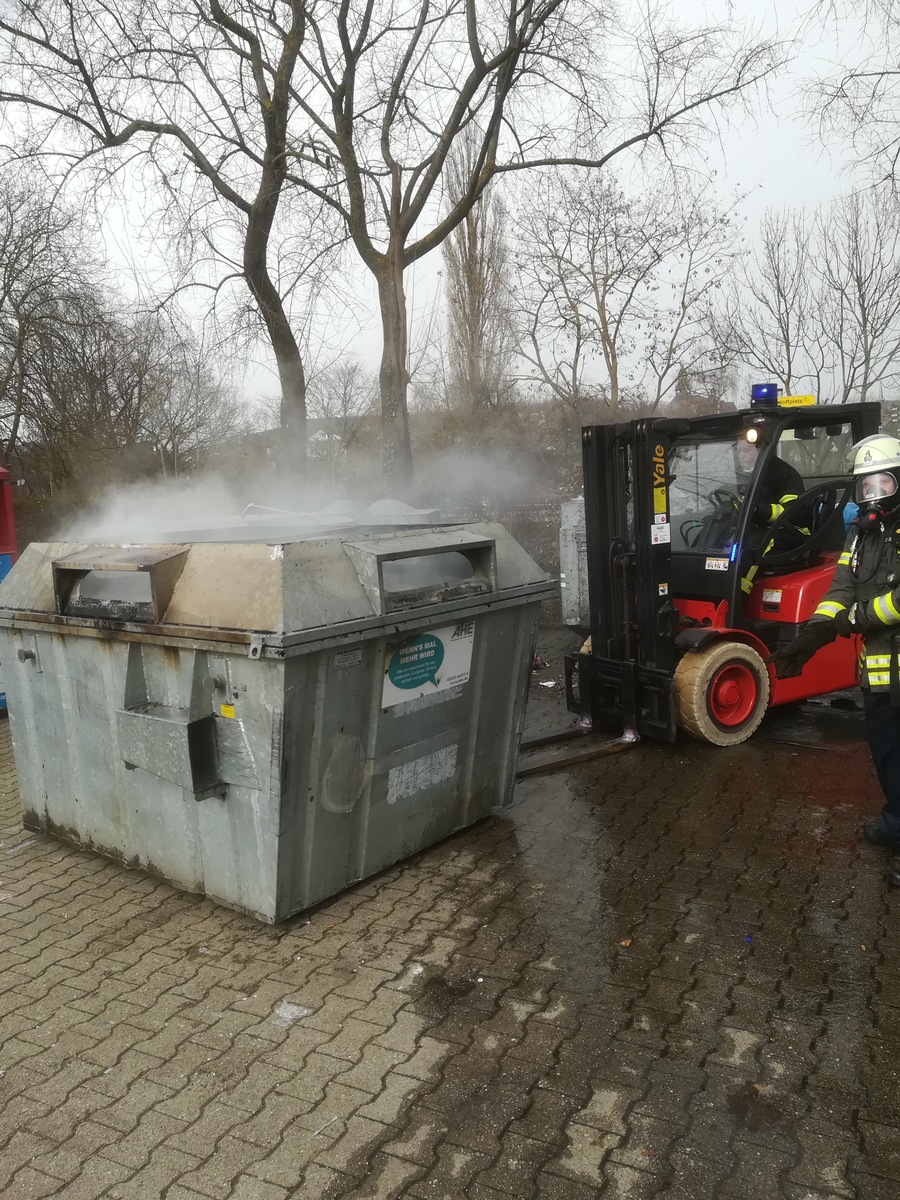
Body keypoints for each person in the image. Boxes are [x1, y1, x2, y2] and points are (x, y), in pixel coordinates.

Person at [769, 433, 900, 882]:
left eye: (882, 485)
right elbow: (838, 592)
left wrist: (859, 618)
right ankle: (895, 824)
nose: (872, 496)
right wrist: (809, 640)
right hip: (880, 677)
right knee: (887, 755)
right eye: (865, 488)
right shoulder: (861, 537)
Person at [735, 438, 807, 594]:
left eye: (746, 451)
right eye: (739, 451)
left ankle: (736, 595)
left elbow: (794, 513)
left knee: (755, 543)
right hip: (758, 529)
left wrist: (760, 511)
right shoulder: (744, 475)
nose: (742, 456)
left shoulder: (782, 473)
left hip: (793, 531)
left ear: (761, 450)